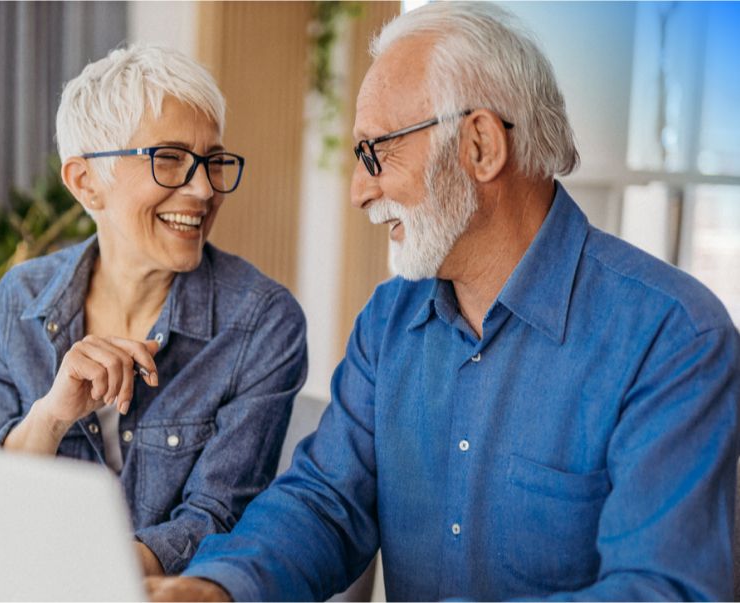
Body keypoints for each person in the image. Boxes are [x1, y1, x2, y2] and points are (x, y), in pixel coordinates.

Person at [147, 3, 740, 601]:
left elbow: (664, 591)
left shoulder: (674, 337)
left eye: (377, 151)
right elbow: (324, 504)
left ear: (480, 144)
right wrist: (216, 589)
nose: (359, 190)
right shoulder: (389, 320)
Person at [0, 44, 307, 578]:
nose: (202, 190)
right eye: (168, 159)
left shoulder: (262, 321)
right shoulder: (19, 302)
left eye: (212, 161)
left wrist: (85, 578)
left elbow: (216, 520)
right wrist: (52, 415)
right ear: (85, 182)